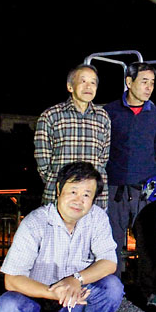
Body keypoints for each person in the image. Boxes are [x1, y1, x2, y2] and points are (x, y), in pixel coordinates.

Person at [0, 162, 123, 312]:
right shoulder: (35, 223)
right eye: (73, 191)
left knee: (113, 287)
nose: (78, 200)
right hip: (36, 303)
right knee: (6, 309)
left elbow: (109, 262)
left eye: (86, 195)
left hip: (76, 300)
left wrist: (76, 279)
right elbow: (12, 279)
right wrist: (53, 292)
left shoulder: (97, 218)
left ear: (94, 199)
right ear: (59, 189)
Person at [104, 62, 156, 280]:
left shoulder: (155, 114)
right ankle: (112, 287)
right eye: (144, 82)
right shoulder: (109, 112)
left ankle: (148, 290)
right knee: (112, 240)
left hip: (145, 185)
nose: (149, 87)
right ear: (129, 82)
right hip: (115, 185)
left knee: (148, 239)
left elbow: (154, 146)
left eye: (152, 83)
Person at [34, 64, 110, 209]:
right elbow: (42, 162)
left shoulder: (103, 117)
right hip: (59, 196)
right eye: (83, 81)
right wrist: (58, 182)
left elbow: (103, 158)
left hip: (94, 198)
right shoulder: (51, 116)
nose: (89, 86)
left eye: (93, 82)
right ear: (70, 86)